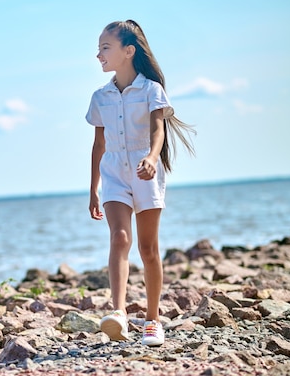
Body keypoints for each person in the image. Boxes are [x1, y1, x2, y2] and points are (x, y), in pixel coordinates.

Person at [85, 20, 195, 347]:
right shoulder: (100, 96)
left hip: (146, 169)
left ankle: (152, 321)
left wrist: (151, 157)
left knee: (148, 249)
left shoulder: (151, 90)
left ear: (128, 51)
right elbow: (98, 145)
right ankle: (118, 313)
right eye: (99, 48)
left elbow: (158, 130)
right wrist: (93, 187)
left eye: (105, 47)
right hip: (114, 171)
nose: (98, 54)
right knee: (120, 237)